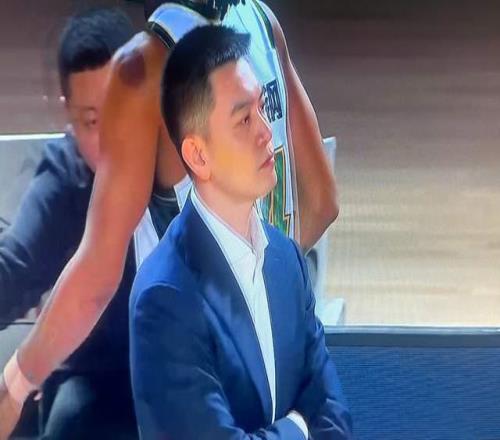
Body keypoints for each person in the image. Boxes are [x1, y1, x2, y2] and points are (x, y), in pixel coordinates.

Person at [0, 1, 340, 436]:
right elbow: (322, 202)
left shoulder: (144, 66)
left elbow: (96, 280)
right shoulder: (261, 21)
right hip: (284, 359)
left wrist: (14, 384)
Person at [130, 25, 353, 440]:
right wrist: (300, 427)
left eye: (263, 108)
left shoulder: (286, 258)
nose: (267, 131)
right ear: (198, 155)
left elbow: (334, 414)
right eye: (244, 119)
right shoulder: (165, 297)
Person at [0, 8, 138, 439]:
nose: (112, 137)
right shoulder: (67, 176)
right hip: (96, 377)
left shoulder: (189, 157)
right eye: (92, 121)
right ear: (69, 116)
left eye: (122, 111)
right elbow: (16, 267)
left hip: (188, 369)